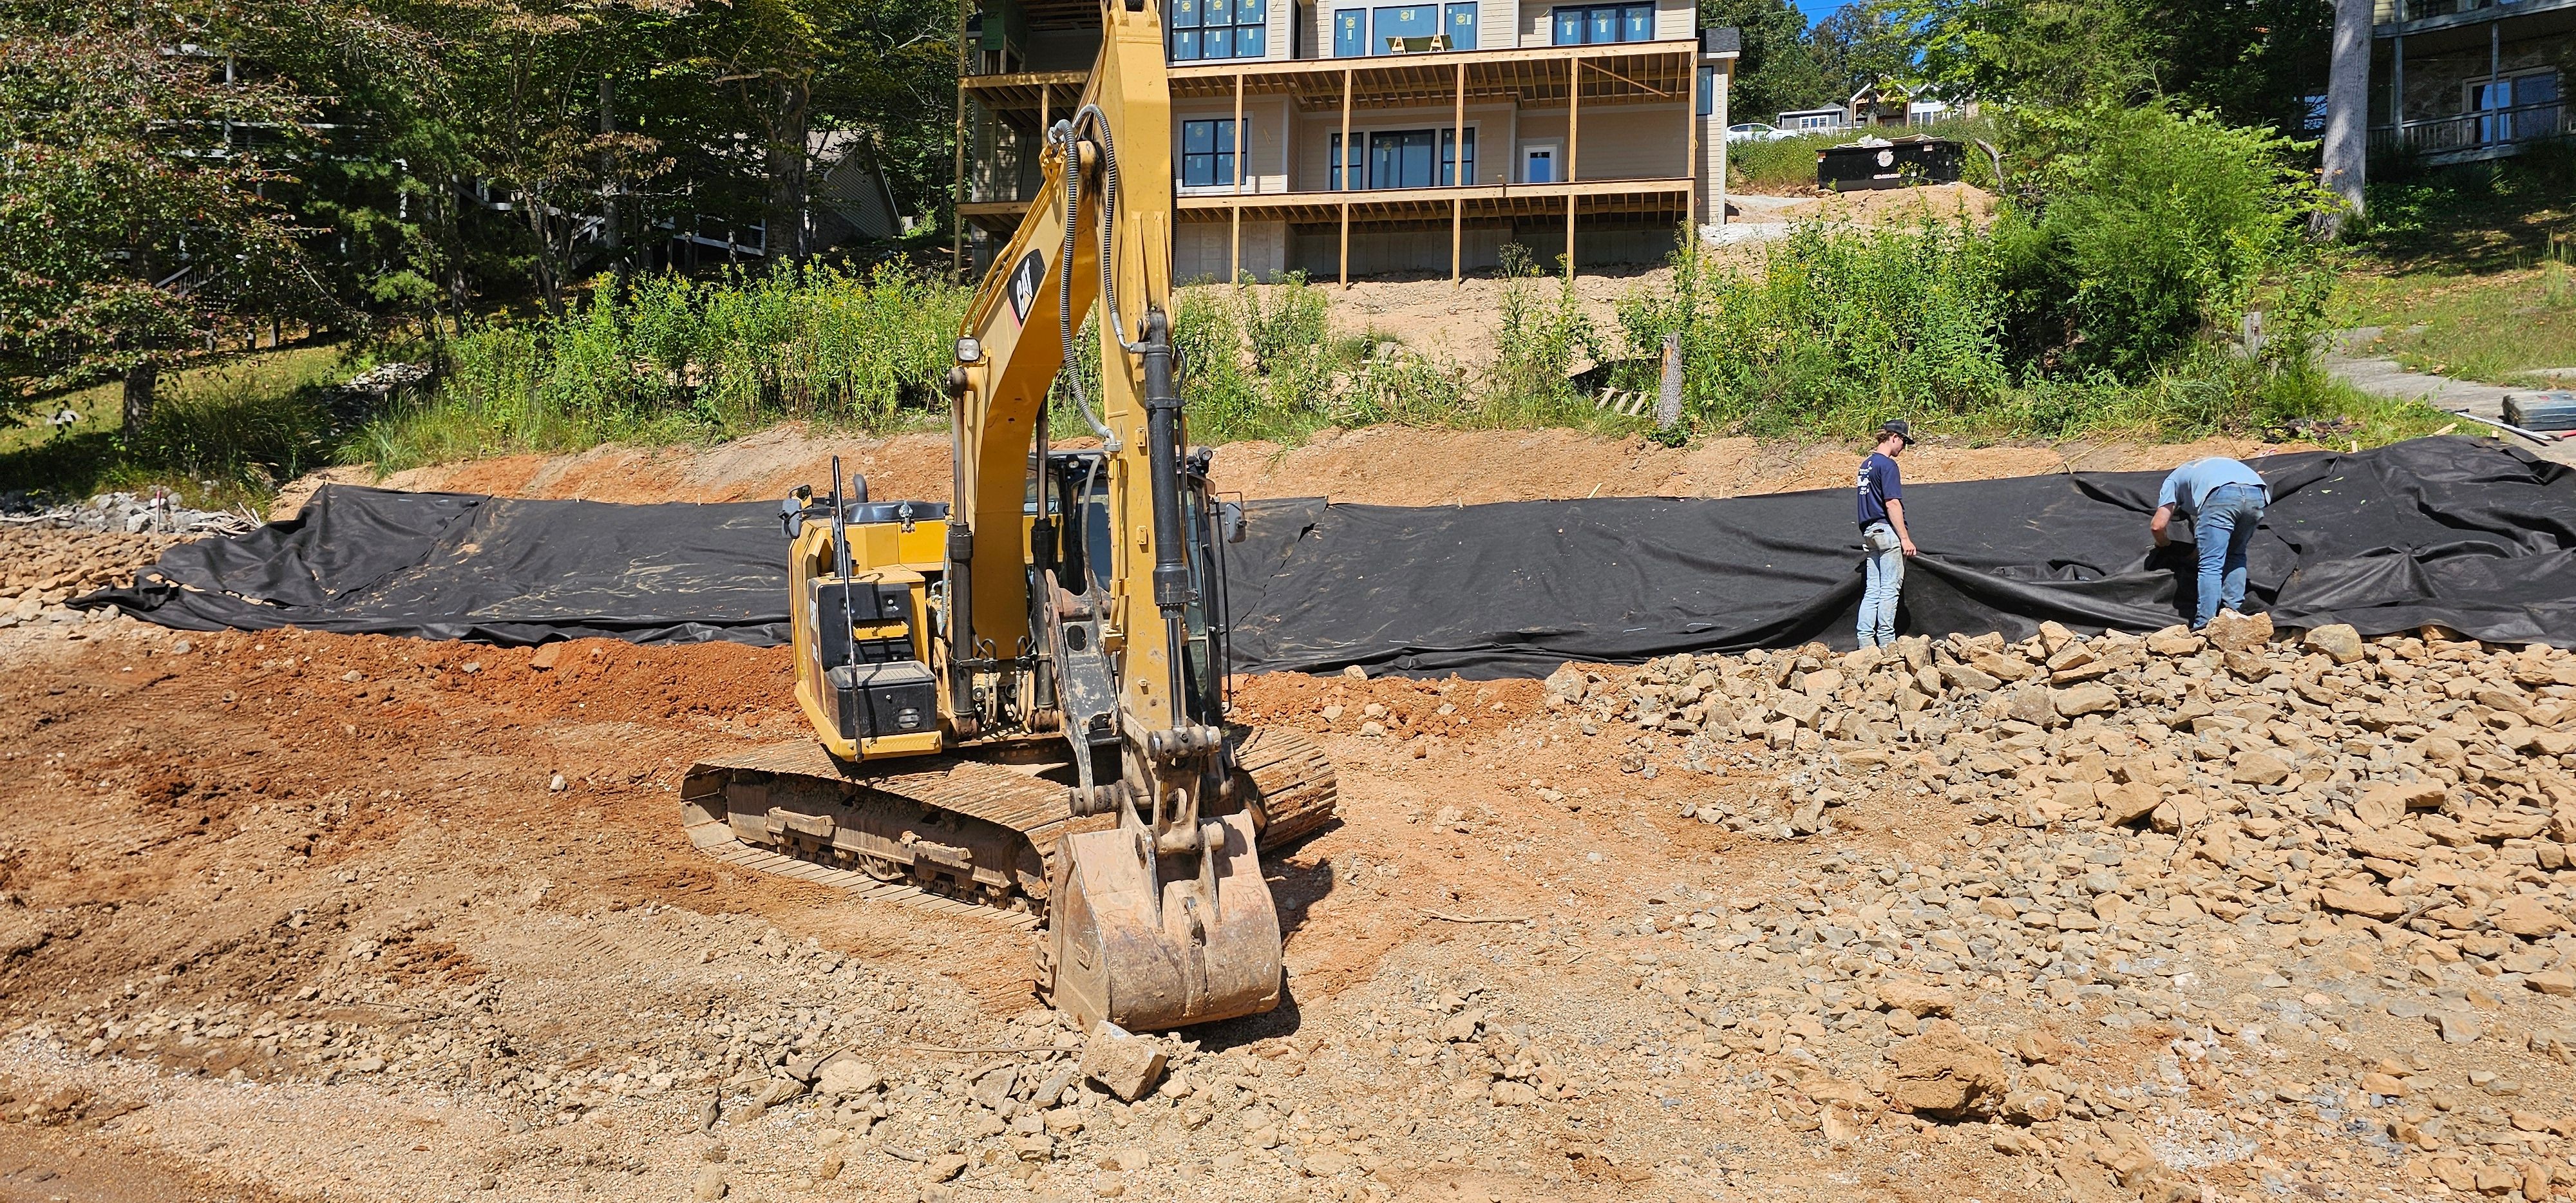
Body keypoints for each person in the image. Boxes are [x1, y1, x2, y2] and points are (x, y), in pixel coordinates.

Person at [2152, 456, 2270, 629]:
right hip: (2257, 493)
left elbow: (2158, 526)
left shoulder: (2173, 479)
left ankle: (2204, 625)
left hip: (2220, 494)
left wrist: (2164, 544)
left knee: (2211, 565)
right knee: (2236, 554)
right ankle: (2233, 617)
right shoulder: (2212, 466)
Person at [1855, 419, 1918, 648]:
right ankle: (1887, 643)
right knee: (1890, 590)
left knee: (1872, 590)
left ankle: (1865, 642)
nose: (1904, 448)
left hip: (1869, 533)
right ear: (1894, 437)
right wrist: (1905, 538)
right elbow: (1892, 503)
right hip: (1886, 531)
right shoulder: (1888, 465)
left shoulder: (1866, 464)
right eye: (1904, 442)